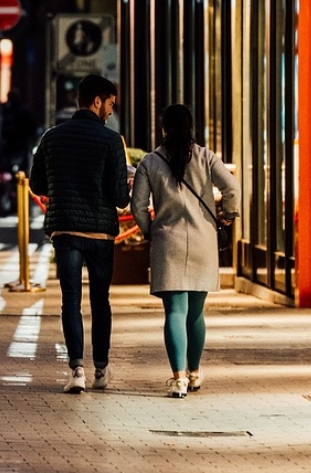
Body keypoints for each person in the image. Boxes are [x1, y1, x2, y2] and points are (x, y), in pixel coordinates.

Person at [130, 104, 240, 399]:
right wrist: (227, 215)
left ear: (163, 128)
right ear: (191, 127)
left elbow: (138, 206)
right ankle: (194, 372)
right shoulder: (205, 157)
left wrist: (149, 230)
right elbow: (233, 188)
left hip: (168, 243)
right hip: (203, 242)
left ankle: (178, 379)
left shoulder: (150, 162)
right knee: (195, 313)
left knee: (174, 312)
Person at [28, 74, 130, 393]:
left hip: (66, 229)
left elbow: (37, 185)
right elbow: (119, 198)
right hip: (100, 233)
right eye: (110, 104)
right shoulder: (112, 141)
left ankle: (76, 371)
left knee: (70, 300)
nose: (111, 112)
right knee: (101, 300)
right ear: (97, 101)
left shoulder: (51, 137)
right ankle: (101, 369)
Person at [0, 88, 38, 173]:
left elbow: (31, 126)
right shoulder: (7, 111)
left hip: (17, 144)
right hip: (11, 145)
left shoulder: (16, 111)